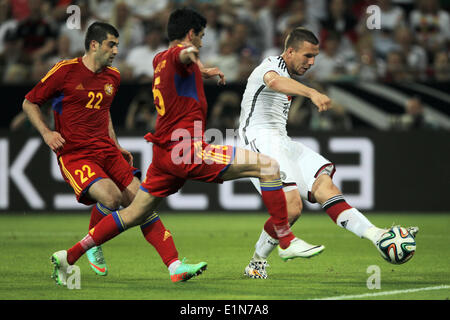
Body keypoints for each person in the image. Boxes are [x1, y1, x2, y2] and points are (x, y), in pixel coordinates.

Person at [50, 7, 316, 286]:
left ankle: (68, 256)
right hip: (188, 149)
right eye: (200, 37)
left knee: (133, 214)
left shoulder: (158, 59)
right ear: (190, 35)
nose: (202, 42)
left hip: (165, 154)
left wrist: (201, 68)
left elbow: (175, 58)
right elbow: (182, 54)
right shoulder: (182, 54)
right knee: (268, 166)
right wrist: (192, 55)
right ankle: (285, 240)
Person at [23, 21, 204, 283]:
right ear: (94, 44)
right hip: (75, 153)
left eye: (117, 45)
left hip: (107, 150)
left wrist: (116, 143)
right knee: (112, 198)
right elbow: (29, 101)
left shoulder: (113, 76)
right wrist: (47, 133)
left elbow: (103, 110)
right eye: (111, 44)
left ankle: (174, 266)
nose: (116, 50)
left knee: (144, 202)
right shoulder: (65, 71)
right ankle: (92, 242)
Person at [238, 27, 418, 279]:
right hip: (256, 139)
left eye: (315, 57)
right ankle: (259, 261)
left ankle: (376, 235)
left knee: (326, 187)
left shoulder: (291, 73)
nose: (311, 62)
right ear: (290, 51)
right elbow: (274, 82)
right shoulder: (270, 65)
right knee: (291, 208)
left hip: (282, 140)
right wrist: (311, 92)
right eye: (307, 56)